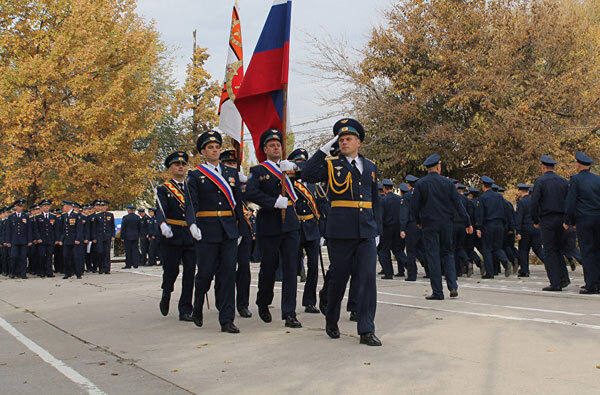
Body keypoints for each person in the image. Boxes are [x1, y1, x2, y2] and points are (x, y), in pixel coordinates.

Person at [303, 118, 383, 346]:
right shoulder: (330, 165)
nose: (344, 142)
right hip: (340, 231)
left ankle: (366, 329)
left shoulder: (370, 166)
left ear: (358, 142)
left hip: (366, 230)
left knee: (368, 279)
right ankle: (331, 318)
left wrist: (378, 229)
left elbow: (375, 201)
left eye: (349, 139)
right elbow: (308, 174)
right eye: (341, 139)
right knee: (339, 278)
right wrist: (322, 150)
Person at [184, 130, 243, 334]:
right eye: (210, 147)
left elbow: (238, 205)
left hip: (228, 229)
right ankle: (198, 303)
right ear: (203, 151)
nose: (215, 150)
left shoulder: (231, 173)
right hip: (206, 229)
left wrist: (241, 228)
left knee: (227, 274)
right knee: (205, 274)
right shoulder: (195, 175)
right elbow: (191, 203)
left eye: (217, 147)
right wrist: (192, 224)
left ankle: (227, 319)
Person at [245, 129, 303, 329]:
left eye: (278, 145)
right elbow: (250, 193)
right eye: (272, 145)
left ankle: (289, 313)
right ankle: (263, 301)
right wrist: (272, 202)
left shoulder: (289, 169)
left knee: (290, 269)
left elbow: (310, 171)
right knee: (269, 267)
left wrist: (295, 166)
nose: (276, 147)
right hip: (269, 223)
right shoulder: (258, 171)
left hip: (290, 224)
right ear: (265, 149)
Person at [411, 154, 472, 300]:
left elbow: (414, 206)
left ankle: (438, 291)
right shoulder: (448, 183)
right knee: (448, 254)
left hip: (429, 224)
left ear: (427, 169)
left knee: (433, 256)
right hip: (446, 224)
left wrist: (418, 220)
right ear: (438, 167)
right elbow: (458, 204)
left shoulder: (421, 184)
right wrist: (467, 222)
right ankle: (452, 286)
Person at [155, 151, 196, 322]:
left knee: (189, 273)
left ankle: (185, 308)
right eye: (176, 164)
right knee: (171, 271)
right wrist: (163, 224)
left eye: (183, 164)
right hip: (171, 235)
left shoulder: (192, 188)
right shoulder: (163, 189)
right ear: (170, 168)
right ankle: (166, 292)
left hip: (189, 235)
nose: (180, 167)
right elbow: (160, 209)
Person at [288, 148, 323, 313]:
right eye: (298, 164)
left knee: (314, 266)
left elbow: (322, 206)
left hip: (311, 228)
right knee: (292, 268)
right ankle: (290, 304)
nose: (301, 167)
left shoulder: (313, 182)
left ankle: (309, 301)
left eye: (303, 163)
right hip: (294, 228)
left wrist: (323, 231)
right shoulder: (287, 183)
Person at [220, 149, 254, 318]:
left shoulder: (241, 181)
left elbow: (251, 195)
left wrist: (246, 183)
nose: (232, 167)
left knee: (244, 268)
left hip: (243, 228)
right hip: (225, 229)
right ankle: (223, 301)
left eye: (234, 164)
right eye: (228, 164)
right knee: (225, 269)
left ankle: (243, 304)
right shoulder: (217, 182)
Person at [531, 155, 570, 291]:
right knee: (559, 249)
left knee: (549, 250)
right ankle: (564, 278)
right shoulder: (563, 181)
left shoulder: (540, 181)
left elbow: (534, 202)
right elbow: (569, 201)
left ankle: (555, 282)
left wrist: (535, 220)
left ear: (543, 167)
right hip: (561, 219)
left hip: (547, 219)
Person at [563, 151, 600, 294]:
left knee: (587, 251)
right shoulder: (598, 179)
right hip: (598, 218)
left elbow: (571, 203)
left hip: (584, 219)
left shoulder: (576, 180)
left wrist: (569, 221)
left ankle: (591, 284)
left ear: (578, 165)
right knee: (597, 251)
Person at [476, 177, 510, 279]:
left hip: (488, 225)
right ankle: (505, 260)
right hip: (500, 224)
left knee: (487, 249)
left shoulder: (482, 198)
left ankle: (490, 273)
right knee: (497, 247)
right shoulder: (499, 197)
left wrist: (479, 227)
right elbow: (504, 211)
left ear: (483, 186)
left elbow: (480, 213)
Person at [515, 184, 545, 277]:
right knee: (538, 249)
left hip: (525, 228)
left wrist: (518, 231)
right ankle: (550, 264)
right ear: (528, 191)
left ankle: (525, 270)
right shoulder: (537, 202)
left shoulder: (521, 202)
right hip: (537, 228)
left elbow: (519, 217)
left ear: (520, 191)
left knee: (523, 250)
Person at [378, 179, 405, 279]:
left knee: (384, 250)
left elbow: (381, 215)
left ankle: (388, 273)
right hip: (398, 227)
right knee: (397, 249)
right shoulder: (399, 199)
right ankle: (407, 265)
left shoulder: (383, 200)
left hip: (387, 227)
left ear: (384, 188)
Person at [6, 199, 32, 279]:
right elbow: (8, 230)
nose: (21, 208)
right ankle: (13, 272)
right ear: (15, 207)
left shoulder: (26, 216)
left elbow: (29, 229)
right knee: (13, 257)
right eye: (19, 206)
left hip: (23, 241)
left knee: (23, 257)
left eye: (22, 206)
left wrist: (29, 240)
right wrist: (8, 241)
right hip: (14, 240)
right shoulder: (11, 217)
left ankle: (22, 273)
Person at [58, 200, 83, 279]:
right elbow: (63, 229)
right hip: (67, 240)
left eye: (64, 206)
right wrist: (61, 240)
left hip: (74, 240)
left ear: (69, 206)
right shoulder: (65, 216)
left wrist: (78, 238)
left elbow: (79, 229)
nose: (63, 207)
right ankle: (67, 273)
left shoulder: (77, 215)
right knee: (66, 256)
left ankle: (78, 273)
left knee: (75, 257)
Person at [33, 199, 58, 278]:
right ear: (41, 207)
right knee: (41, 256)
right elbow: (36, 229)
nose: (46, 207)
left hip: (50, 239)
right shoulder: (37, 217)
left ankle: (49, 271)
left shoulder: (53, 217)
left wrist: (55, 239)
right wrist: (38, 238)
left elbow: (56, 229)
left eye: (48, 206)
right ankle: (41, 271)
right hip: (41, 240)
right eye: (45, 206)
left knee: (49, 256)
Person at [91, 200, 115, 274]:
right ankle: (101, 268)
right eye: (101, 206)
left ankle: (107, 268)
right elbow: (94, 228)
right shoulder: (97, 216)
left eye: (104, 206)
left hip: (107, 236)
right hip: (99, 237)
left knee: (107, 253)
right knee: (100, 252)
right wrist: (94, 237)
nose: (102, 208)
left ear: (106, 207)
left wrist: (113, 235)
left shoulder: (110, 215)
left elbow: (112, 226)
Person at [121, 204, 141, 269]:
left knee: (128, 251)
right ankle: (136, 264)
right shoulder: (137, 217)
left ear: (129, 210)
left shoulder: (125, 218)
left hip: (127, 236)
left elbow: (123, 228)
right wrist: (139, 235)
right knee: (135, 250)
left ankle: (128, 264)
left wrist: (122, 237)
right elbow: (140, 227)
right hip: (135, 236)